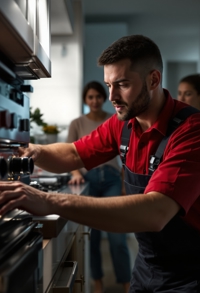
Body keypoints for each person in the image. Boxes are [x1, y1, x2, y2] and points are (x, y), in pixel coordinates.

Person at [0, 35, 200, 292]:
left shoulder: (195, 131)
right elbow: (74, 154)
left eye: (122, 84)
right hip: (146, 268)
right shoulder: (123, 124)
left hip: (191, 276)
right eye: (109, 85)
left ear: (153, 79)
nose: (112, 96)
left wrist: (48, 201)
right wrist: (35, 151)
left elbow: (156, 212)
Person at [67, 81, 131, 293]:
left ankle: (127, 283)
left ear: (104, 98)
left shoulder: (116, 120)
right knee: (92, 237)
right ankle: (97, 281)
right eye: (90, 97)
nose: (94, 101)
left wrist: (124, 184)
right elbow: (70, 155)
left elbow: (125, 156)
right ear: (85, 100)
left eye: (98, 96)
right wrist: (75, 173)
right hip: (89, 181)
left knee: (117, 238)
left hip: (113, 179)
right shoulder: (76, 123)